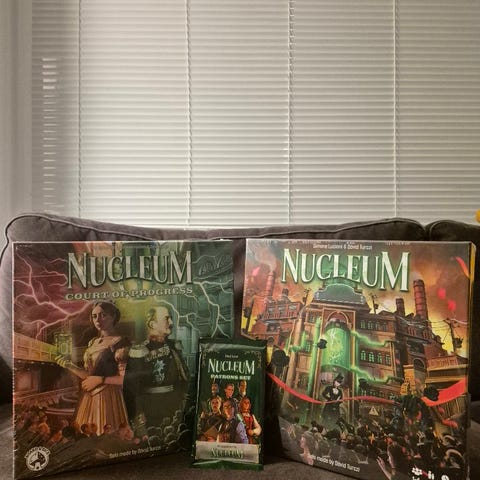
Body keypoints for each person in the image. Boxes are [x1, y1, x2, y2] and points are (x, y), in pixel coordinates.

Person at [56, 301, 131, 432]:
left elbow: (125, 379)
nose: (98, 319)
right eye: (94, 316)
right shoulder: (92, 343)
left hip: (109, 398)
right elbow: (89, 376)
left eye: (103, 315)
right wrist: (69, 366)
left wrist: (101, 379)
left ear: (113, 316)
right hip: (88, 399)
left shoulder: (121, 343)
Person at [123, 305, 189, 439]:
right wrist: (139, 425)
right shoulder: (139, 351)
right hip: (151, 412)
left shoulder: (174, 346)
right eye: (166, 319)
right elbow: (131, 392)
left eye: (170, 318)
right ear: (152, 324)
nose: (171, 322)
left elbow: (183, 379)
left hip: (176, 409)